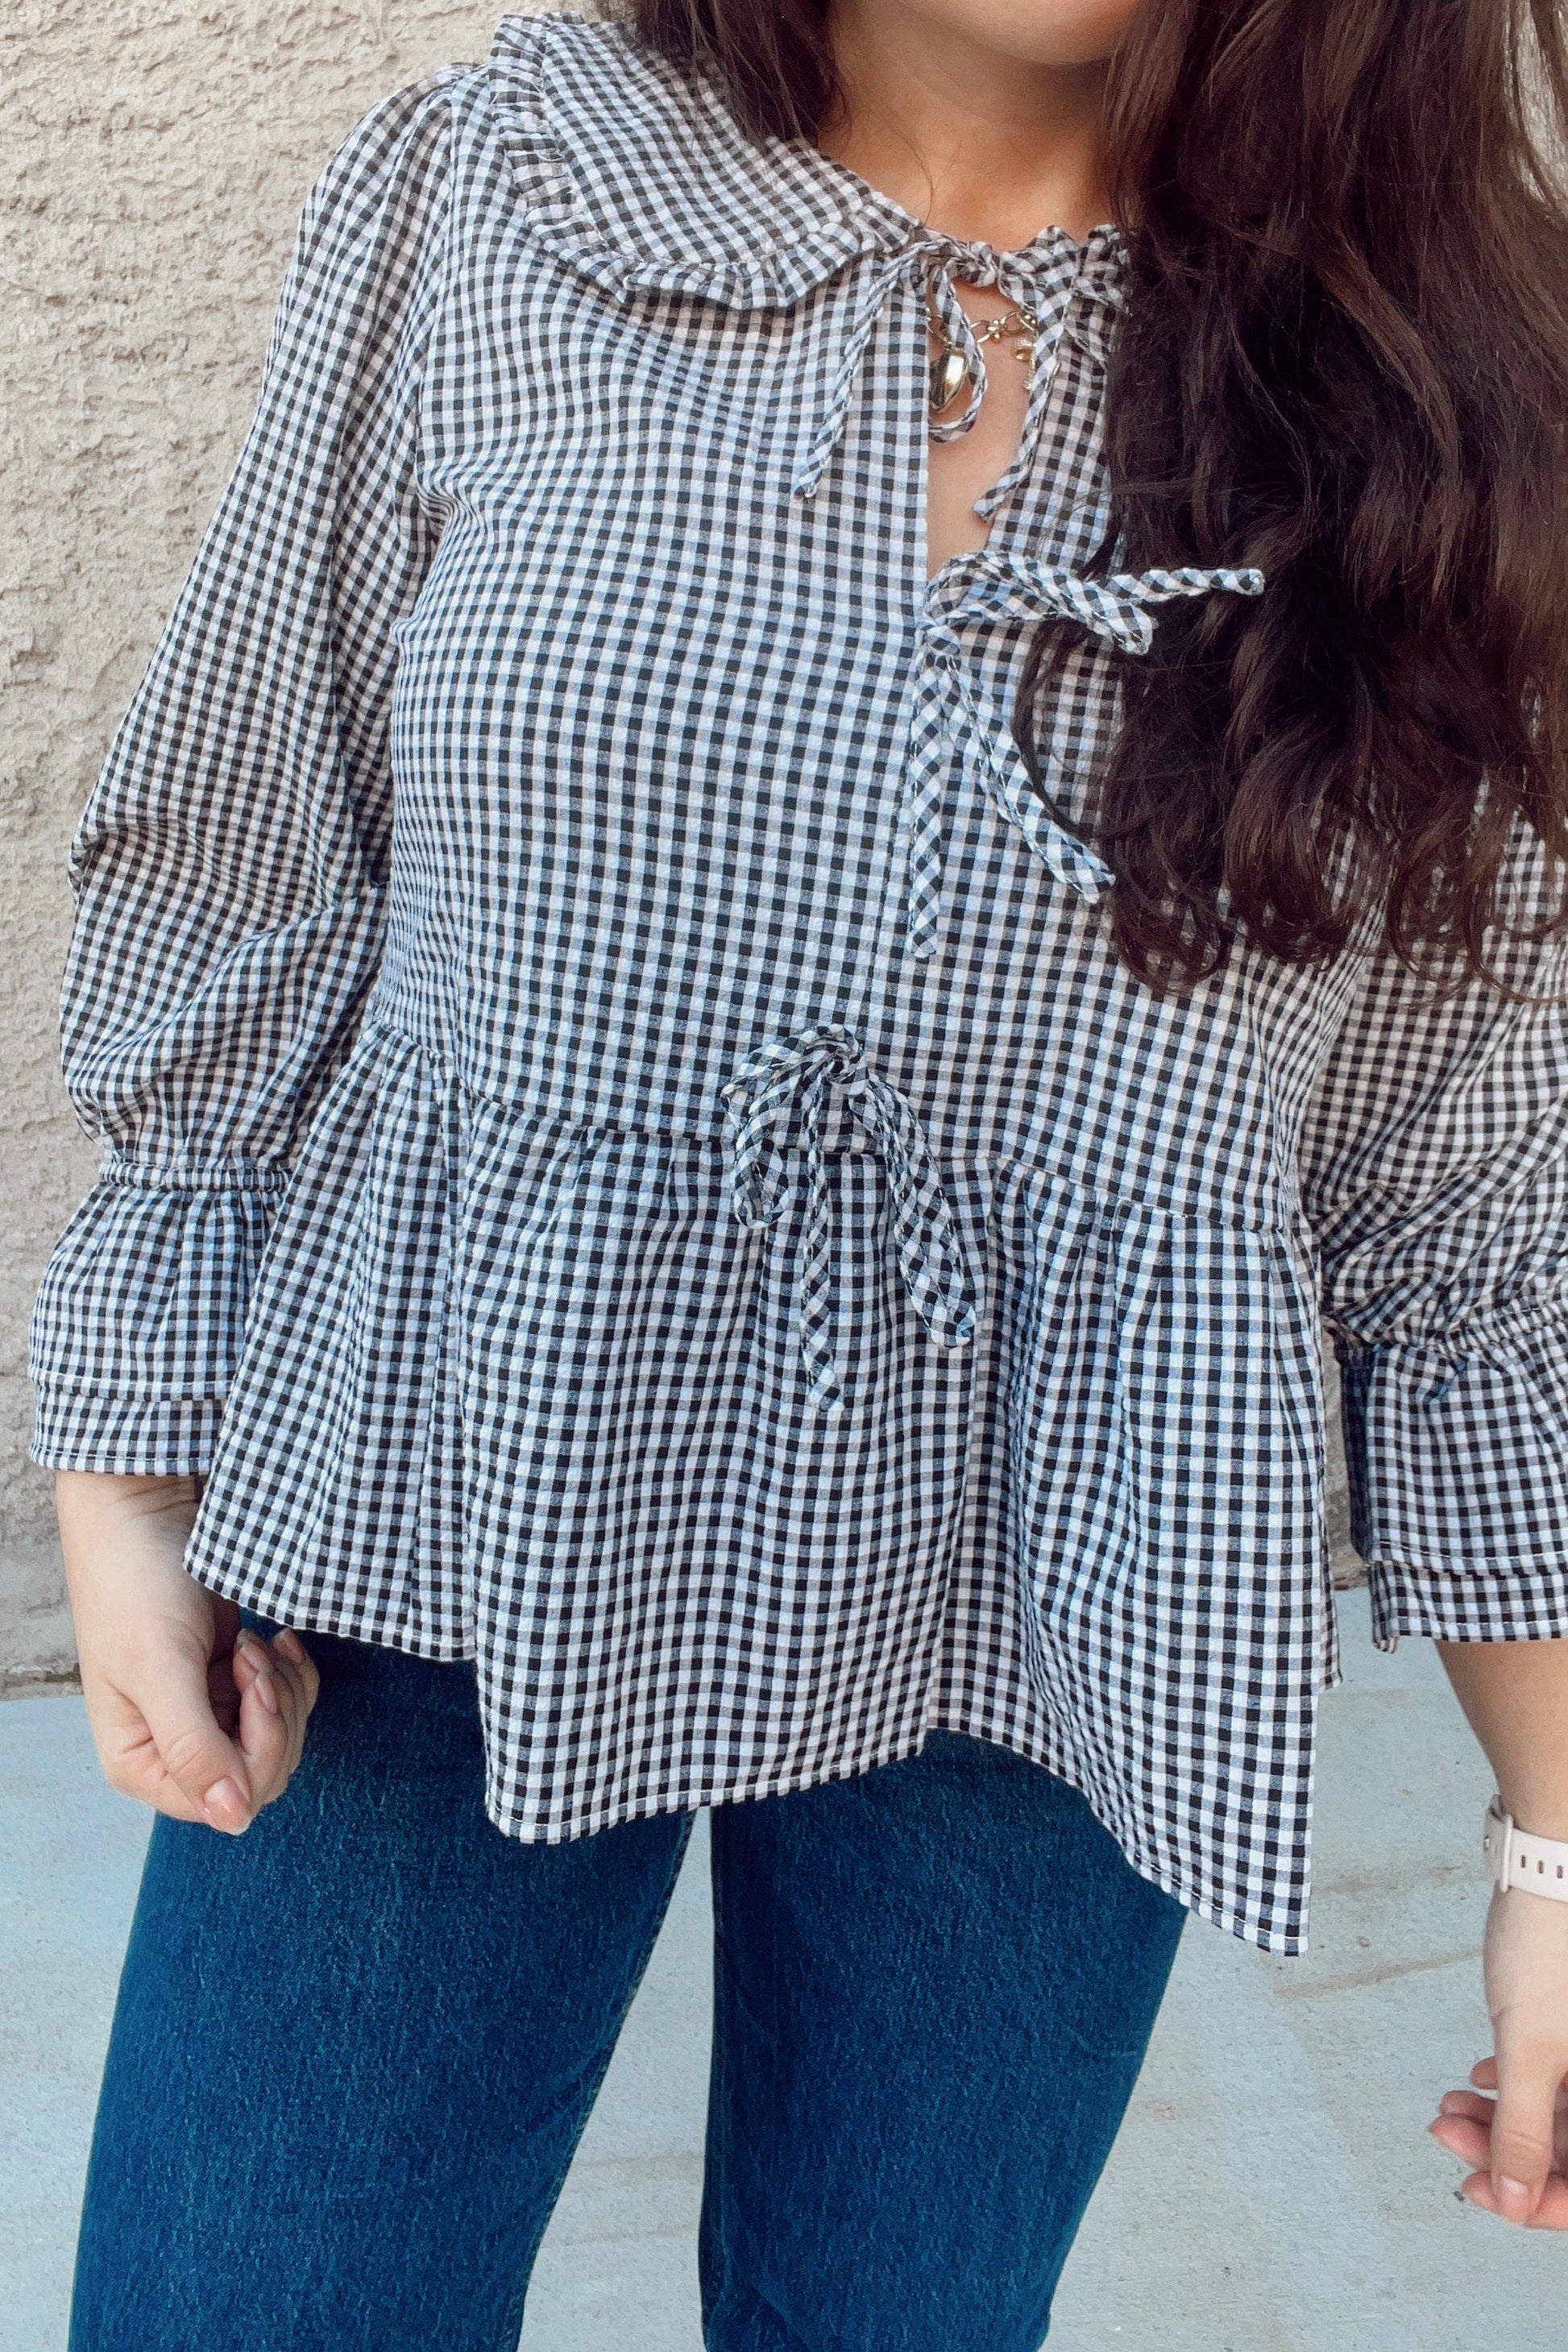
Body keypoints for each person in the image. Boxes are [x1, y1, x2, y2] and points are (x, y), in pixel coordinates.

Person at [31, 1, 1568, 2343]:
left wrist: (1552, 1852)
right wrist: (126, 1472)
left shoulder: (1456, 392)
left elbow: (1467, 1211)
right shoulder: (499, 185)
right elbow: (249, 852)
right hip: (445, 1497)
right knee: (252, 2303)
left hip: (1059, 1602)